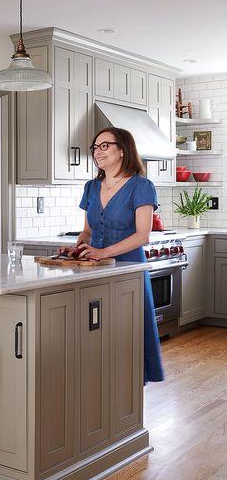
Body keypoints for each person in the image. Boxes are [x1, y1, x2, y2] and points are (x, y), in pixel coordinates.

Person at [58, 126, 164, 383]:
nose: (97, 151)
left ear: (122, 149)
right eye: (95, 147)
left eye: (105, 145)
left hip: (128, 268)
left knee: (128, 330)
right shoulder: (91, 187)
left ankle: (128, 394)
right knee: (99, 331)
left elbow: (143, 235)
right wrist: (77, 248)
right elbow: (87, 231)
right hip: (96, 268)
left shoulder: (141, 186)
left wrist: (103, 251)